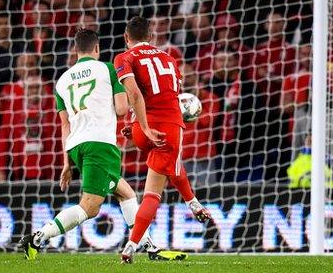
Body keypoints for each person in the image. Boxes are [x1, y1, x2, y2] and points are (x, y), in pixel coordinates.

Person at [19, 29, 186, 261]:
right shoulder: (108, 68)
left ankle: (149, 247)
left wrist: (67, 162)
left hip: (77, 145)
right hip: (100, 143)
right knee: (90, 206)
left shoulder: (63, 80)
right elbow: (120, 109)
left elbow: (64, 125)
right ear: (97, 48)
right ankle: (38, 237)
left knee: (126, 193)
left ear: (76, 50)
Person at [115, 17, 210, 263]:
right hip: (166, 126)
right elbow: (170, 97)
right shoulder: (169, 59)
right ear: (151, 36)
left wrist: (139, 128)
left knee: (172, 165)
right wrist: (148, 128)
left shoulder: (124, 57)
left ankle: (194, 204)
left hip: (139, 127)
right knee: (152, 193)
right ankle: (132, 245)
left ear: (127, 38)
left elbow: (135, 94)